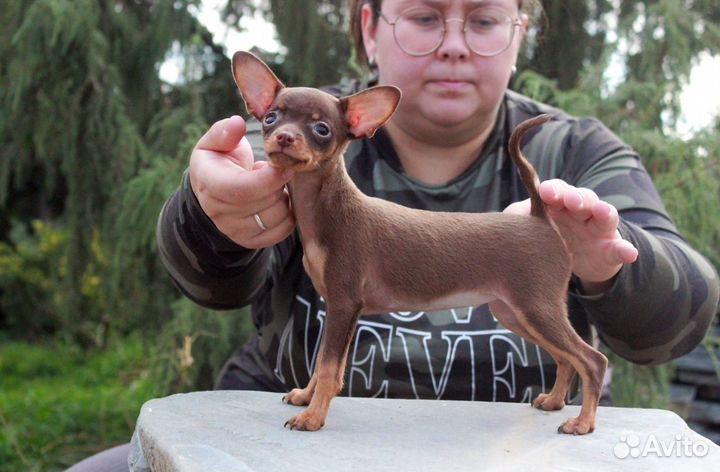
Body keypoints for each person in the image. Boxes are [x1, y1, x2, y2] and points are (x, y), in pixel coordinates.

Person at [66, 0, 719, 470]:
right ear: (370, 26)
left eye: (485, 19)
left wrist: (612, 263)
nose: (454, 43)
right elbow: (209, 283)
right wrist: (209, 218)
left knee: (540, 320)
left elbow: (685, 311)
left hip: (510, 455)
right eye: (426, 16)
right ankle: (313, 389)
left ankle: (572, 380)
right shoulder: (306, 126)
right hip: (275, 445)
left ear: (519, 33)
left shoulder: (577, 151)